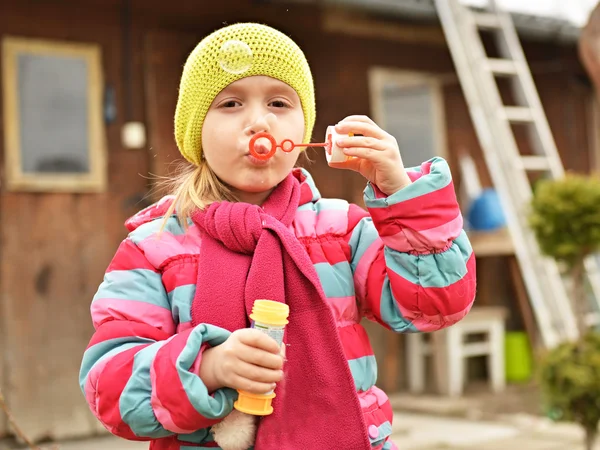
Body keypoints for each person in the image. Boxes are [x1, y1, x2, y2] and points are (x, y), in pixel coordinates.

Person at [79, 22, 476, 450]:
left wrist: (403, 196)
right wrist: (207, 368)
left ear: (303, 132)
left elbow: (435, 305)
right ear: (196, 133)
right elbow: (110, 388)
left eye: (279, 102)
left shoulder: (342, 231)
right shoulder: (154, 248)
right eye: (231, 103)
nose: (259, 121)